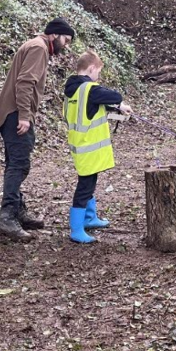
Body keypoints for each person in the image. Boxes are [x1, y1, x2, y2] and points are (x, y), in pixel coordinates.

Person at [0, 18, 76, 240]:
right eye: (66, 40)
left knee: (15, 163)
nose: (66, 45)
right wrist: (24, 116)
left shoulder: (36, 45)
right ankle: (6, 216)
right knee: (19, 164)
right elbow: (25, 82)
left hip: (13, 113)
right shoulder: (39, 48)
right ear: (54, 35)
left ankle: (16, 210)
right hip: (16, 114)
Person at [63, 50, 131, 244]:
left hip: (80, 146)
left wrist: (118, 108)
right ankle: (76, 229)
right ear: (91, 68)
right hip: (88, 148)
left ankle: (90, 218)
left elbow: (91, 108)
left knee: (89, 183)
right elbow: (114, 95)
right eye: (98, 72)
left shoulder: (72, 89)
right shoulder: (89, 89)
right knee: (85, 187)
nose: (98, 77)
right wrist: (119, 102)